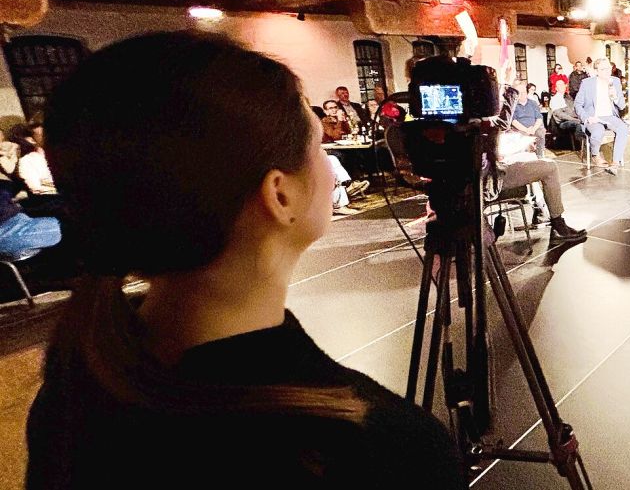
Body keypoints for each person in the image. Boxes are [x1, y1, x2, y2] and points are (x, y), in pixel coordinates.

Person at [27, 31, 466, 489]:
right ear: (279, 194)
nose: (324, 158)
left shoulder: (75, 387)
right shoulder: (379, 449)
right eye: (317, 143)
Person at [494, 84, 587, 239]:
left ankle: (541, 210)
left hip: (495, 167)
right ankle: (555, 221)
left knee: (533, 156)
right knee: (549, 167)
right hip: (493, 177)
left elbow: (536, 119)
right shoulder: (492, 117)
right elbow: (501, 135)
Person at [573, 57, 629, 171]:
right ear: (597, 71)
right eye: (603, 69)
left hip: (610, 116)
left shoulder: (615, 81)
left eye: (609, 68)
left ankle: (615, 162)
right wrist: (587, 118)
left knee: (623, 128)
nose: (608, 71)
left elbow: (622, 106)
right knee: (598, 131)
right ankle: (595, 155)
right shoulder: (587, 83)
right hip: (594, 117)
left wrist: (616, 97)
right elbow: (577, 104)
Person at [510, 80, 546, 158]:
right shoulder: (513, 105)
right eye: (519, 92)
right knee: (521, 137)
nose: (522, 94)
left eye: (524, 92)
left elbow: (539, 118)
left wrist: (533, 129)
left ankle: (540, 156)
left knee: (540, 133)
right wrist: (526, 130)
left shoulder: (533, 103)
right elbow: (514, 121)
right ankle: (525, 158)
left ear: (526, 92)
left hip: (534, 128)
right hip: (520, 129)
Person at [547, 79, 583, 148]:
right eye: (560, 85)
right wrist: (574, 119)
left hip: (571, 119)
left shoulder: (568, 97)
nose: (562, 87)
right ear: (556, 88)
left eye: (563, 85)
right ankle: (580, 146)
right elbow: (560, 115)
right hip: (562, 123)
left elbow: (574, 110)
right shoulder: (555, 99)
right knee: (579, 124)